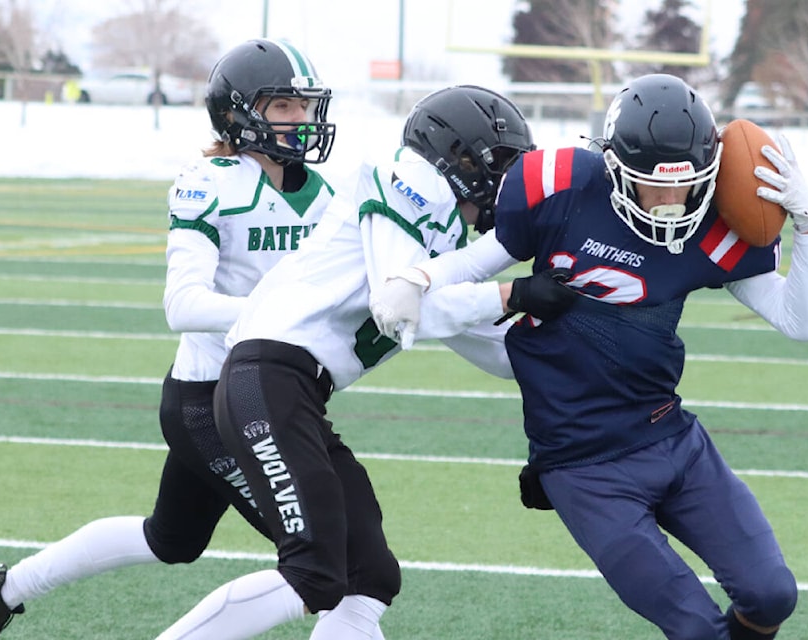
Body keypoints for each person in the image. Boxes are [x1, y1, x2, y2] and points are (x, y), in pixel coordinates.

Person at [371, 73, 808, 640]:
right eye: (650, 185)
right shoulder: (562, 190)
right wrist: (415, 275)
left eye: (686, 187)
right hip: (583, 466)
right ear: (613, 168)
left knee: (772, 594)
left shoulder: (712, 228)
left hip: (673, 439)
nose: (669, 203)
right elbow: (472, 264)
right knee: (697, 630)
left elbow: (799, 323)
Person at [0, 37, 358, 640]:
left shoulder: (323, 194)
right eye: (283, 108)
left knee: (170, 538)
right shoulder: (210, 182)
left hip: (265, 400)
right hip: (213, 404)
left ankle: (2, 589)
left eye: (305, 107)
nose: (301, 121)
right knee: (329, 565)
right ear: (238, 113)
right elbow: (183, 303)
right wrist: (277, 313)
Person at [150, 84, 581, 640]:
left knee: (369, 576)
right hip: (269, 375)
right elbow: (396, 304)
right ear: (457, 155)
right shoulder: (411, 179)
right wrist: (511, 296)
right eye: (495, 163)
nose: (504, 180)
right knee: (313, 572)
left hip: (294, 389)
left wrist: (574, 356)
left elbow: (484, 342)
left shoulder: (443, 230)